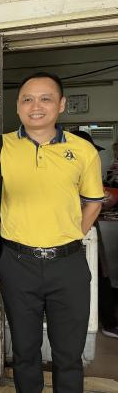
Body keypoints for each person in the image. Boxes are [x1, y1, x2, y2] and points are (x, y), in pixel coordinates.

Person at [0, 72, 104, 393]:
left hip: (68, 265)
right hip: (18, 263)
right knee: (25, 352)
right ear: (18, 106)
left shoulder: (82, 150)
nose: (36, 106)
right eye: (27, 99)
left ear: (61, 105)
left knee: (69, 355)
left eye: (45, 98)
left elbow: (93, 203)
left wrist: (69, 236)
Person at [70, 130, 118, 339]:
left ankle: (108, 320)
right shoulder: (65, 168)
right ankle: (106, 321)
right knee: (88, 277)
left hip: (90, 229)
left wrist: (103, 199)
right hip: (72, 233)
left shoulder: (89, 167)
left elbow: (98, 198)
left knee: (100, 274)